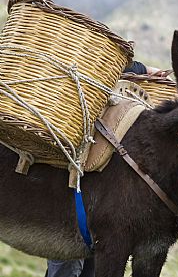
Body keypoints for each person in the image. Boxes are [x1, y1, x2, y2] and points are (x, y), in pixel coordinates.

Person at [45, 60, 168, 277]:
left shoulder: (116, 136)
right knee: (67, 266)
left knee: (90, 263)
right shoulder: (77, 117)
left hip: (97, 214)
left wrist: (151, 72)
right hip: (69, 203)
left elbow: (134, 68)